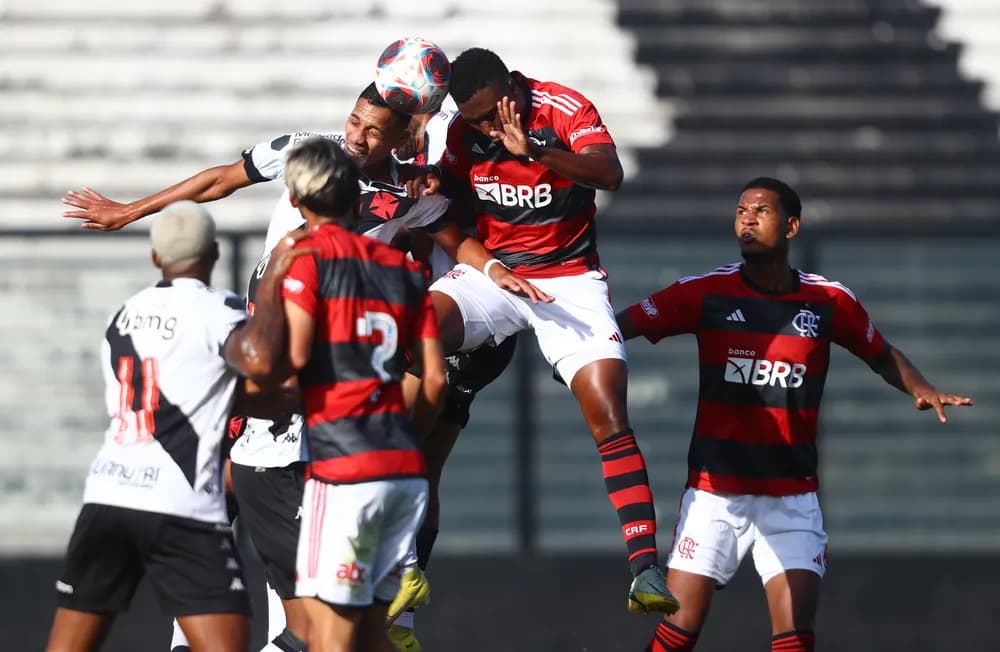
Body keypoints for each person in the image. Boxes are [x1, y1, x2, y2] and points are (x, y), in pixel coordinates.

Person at [63, 82, 541, 652]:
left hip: (291, 417)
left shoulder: (321, 246)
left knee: (291, 593)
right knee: (307, 594)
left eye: (373, 129)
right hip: (332, 434)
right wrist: (130, 209)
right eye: (354, 122)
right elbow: (221, 179)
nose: (357, 137)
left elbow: (453, 232)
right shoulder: (324, 172)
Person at [616, 177, 974, 652]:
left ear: (791, 226)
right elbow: (621, 326)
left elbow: (881, 353)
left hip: (791, 498)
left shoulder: (828, 301)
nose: (746, 217)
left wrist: (921, 387)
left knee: (794, 638)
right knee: (679, 633)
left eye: (761, 210)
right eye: (741, 209)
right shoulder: (706, 293)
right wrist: (579, 361)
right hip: (714, 496)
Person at [424, 46, 678, 614]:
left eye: (493, 112)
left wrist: (536, 151)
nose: (488, 126)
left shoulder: (562, 108)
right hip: (497, 274)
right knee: (414, 329)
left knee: (608, 410)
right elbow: (447, 189)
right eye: (477, 119)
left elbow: (609, 173)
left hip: (570, 281)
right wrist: (425, 185)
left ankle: (644, 571)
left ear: (511, 86)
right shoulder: (465, 133)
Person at [44, 200, 300, 652]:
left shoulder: (122, 314)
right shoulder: (218, 309)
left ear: (156, 257)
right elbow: (258, 364)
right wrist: (276, 278)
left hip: (108, 496)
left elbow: (173, 394)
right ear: (215, 254)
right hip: (180, 504)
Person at [243, 136, 447, 652]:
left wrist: (233, 397)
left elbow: (284, 369)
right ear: (357, 202)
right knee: (372, 638)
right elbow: (435, 379)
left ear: (294, 201)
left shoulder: (304, 262)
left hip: (342, 474)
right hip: (403, 475)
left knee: (325, 639)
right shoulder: (402, 270)